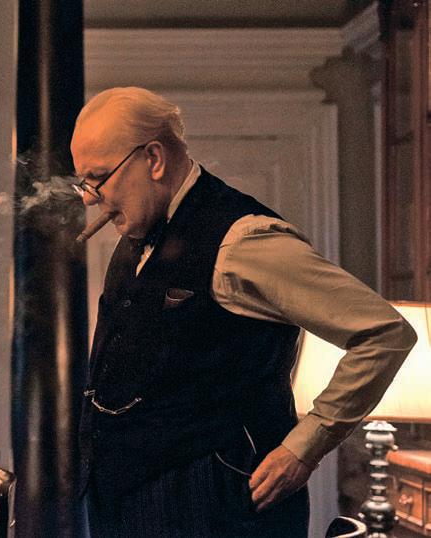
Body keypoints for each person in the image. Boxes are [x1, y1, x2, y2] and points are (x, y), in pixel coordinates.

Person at [71, 87, 417, 537]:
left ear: (153, 158)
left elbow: (383, 333)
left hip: (216, 510)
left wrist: (303, 448)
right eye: (84, 182)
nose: (89, 198)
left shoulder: (242, 242)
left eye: (98, 177)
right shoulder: (135, 236)